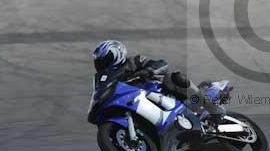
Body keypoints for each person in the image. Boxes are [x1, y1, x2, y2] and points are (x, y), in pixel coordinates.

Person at [92, 40, 225, 124]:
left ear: (117, 54)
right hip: (134, 101)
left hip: (157, 90)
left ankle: (212, 108)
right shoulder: (102, 77)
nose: (102, 64)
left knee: (175, 77)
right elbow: (99, 93)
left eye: (105, 59)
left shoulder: (134, 61)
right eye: (99, 61)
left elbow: (161, 64)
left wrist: (148, 70)